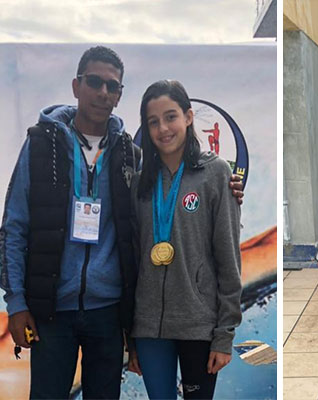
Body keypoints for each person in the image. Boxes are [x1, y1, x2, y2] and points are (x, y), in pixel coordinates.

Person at [0, 46, 244, 399]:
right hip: (51, 309)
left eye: (112, 86)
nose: (102, 92)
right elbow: (14, 227)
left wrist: (229, 188)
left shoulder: (130, 156)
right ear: (76, 86)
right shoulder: (41, 145)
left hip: (108, 312)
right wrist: (17, 302)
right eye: (93, 82)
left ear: (119, 95)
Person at [126, 80, 241, 400]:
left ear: (189, 117)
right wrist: (130, 337)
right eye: (153, 122)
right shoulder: (139, 184)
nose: (163, 128)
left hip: (198, 325)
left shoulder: (216, 173)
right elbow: (132, 261)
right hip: (149, 328)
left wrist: (224, 335)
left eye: (170, 117)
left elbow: (228, 258)